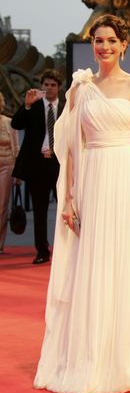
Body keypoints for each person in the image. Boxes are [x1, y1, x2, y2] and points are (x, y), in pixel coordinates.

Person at [34, 14, 130, 393]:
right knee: (92, 262)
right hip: (93, 179)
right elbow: (70, 148)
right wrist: (69, 197)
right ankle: (90, 353)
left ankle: (118, 355)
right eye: (98, 41)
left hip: (127, 173)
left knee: (124, 262)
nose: (103, 47)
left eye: (111, 41)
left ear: (124, 45)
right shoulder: (80, 89)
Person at [11, 69, 64, 264]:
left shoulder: (67, 107)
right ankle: (42, 250)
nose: (48, 88)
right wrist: (25, 105)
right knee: (40, 210)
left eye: (52, 85)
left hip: (60, 165)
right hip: (37, 165)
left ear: (58, 87)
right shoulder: (32, 106)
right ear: (42, 86)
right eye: (46, 85)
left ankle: (65, 250)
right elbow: (16, 124)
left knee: (65, 209)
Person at [0, 92, 19, 254]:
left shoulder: (9, 123)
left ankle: (0, 243)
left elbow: (16, 149)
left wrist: (18, 174)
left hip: (6, 166)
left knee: (2, 207)